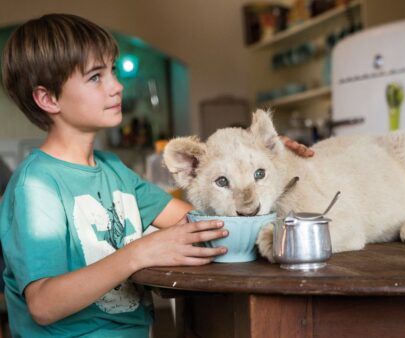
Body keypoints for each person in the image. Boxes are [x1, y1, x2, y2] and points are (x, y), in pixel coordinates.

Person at [0, 13, 312, 337]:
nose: (117, 86)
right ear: (48, 98)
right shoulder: (36, 186)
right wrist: (138, 254)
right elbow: (43, 304)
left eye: (113, 71)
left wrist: (264, 161)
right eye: (96, 77)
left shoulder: (114, 171)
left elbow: (209, 224)